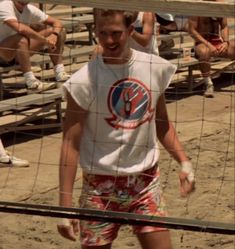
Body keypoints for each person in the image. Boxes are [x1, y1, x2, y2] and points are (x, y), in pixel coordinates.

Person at [57, 9, 195, 249]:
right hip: (99, 188)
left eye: (116, 33)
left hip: (145, 181)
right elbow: (70, 143)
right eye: (103, 33)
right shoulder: (83, 80)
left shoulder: (153, 67)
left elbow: (161, 122)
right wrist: (65, 208)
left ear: (131, 31)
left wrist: (184, 162)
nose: (109, 40)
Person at [0, 0, 70, 93]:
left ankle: (60, 72)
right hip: (2, 53)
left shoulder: (29, 9)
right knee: (20, 39)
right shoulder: (5, 5)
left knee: (59, 30)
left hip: (16, 52)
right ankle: (31, 83)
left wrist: (54, 35)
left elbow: (57, 22)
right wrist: (44, 40)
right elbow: (20, 28)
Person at [188, 10, 235, 97]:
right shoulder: (196, 7)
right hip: (202, 42)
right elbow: (192, 31)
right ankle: (208, 84)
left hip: (218, 41)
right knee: (204, 52)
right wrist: (208, 45)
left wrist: (225, 42)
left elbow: (224, 26)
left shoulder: (219, 6)